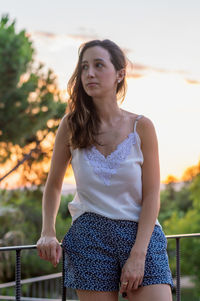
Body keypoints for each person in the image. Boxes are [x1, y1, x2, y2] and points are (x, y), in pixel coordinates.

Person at [36, 39, 174, 301]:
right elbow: (53, 185)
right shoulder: (71, 124)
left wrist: (138, 254)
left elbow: (152, 195)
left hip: (141, 234)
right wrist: (47, 232)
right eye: (84, 66)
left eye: (99, 65)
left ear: (120, 73)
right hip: (89, 236)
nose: (89, 73)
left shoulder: (142, 127)